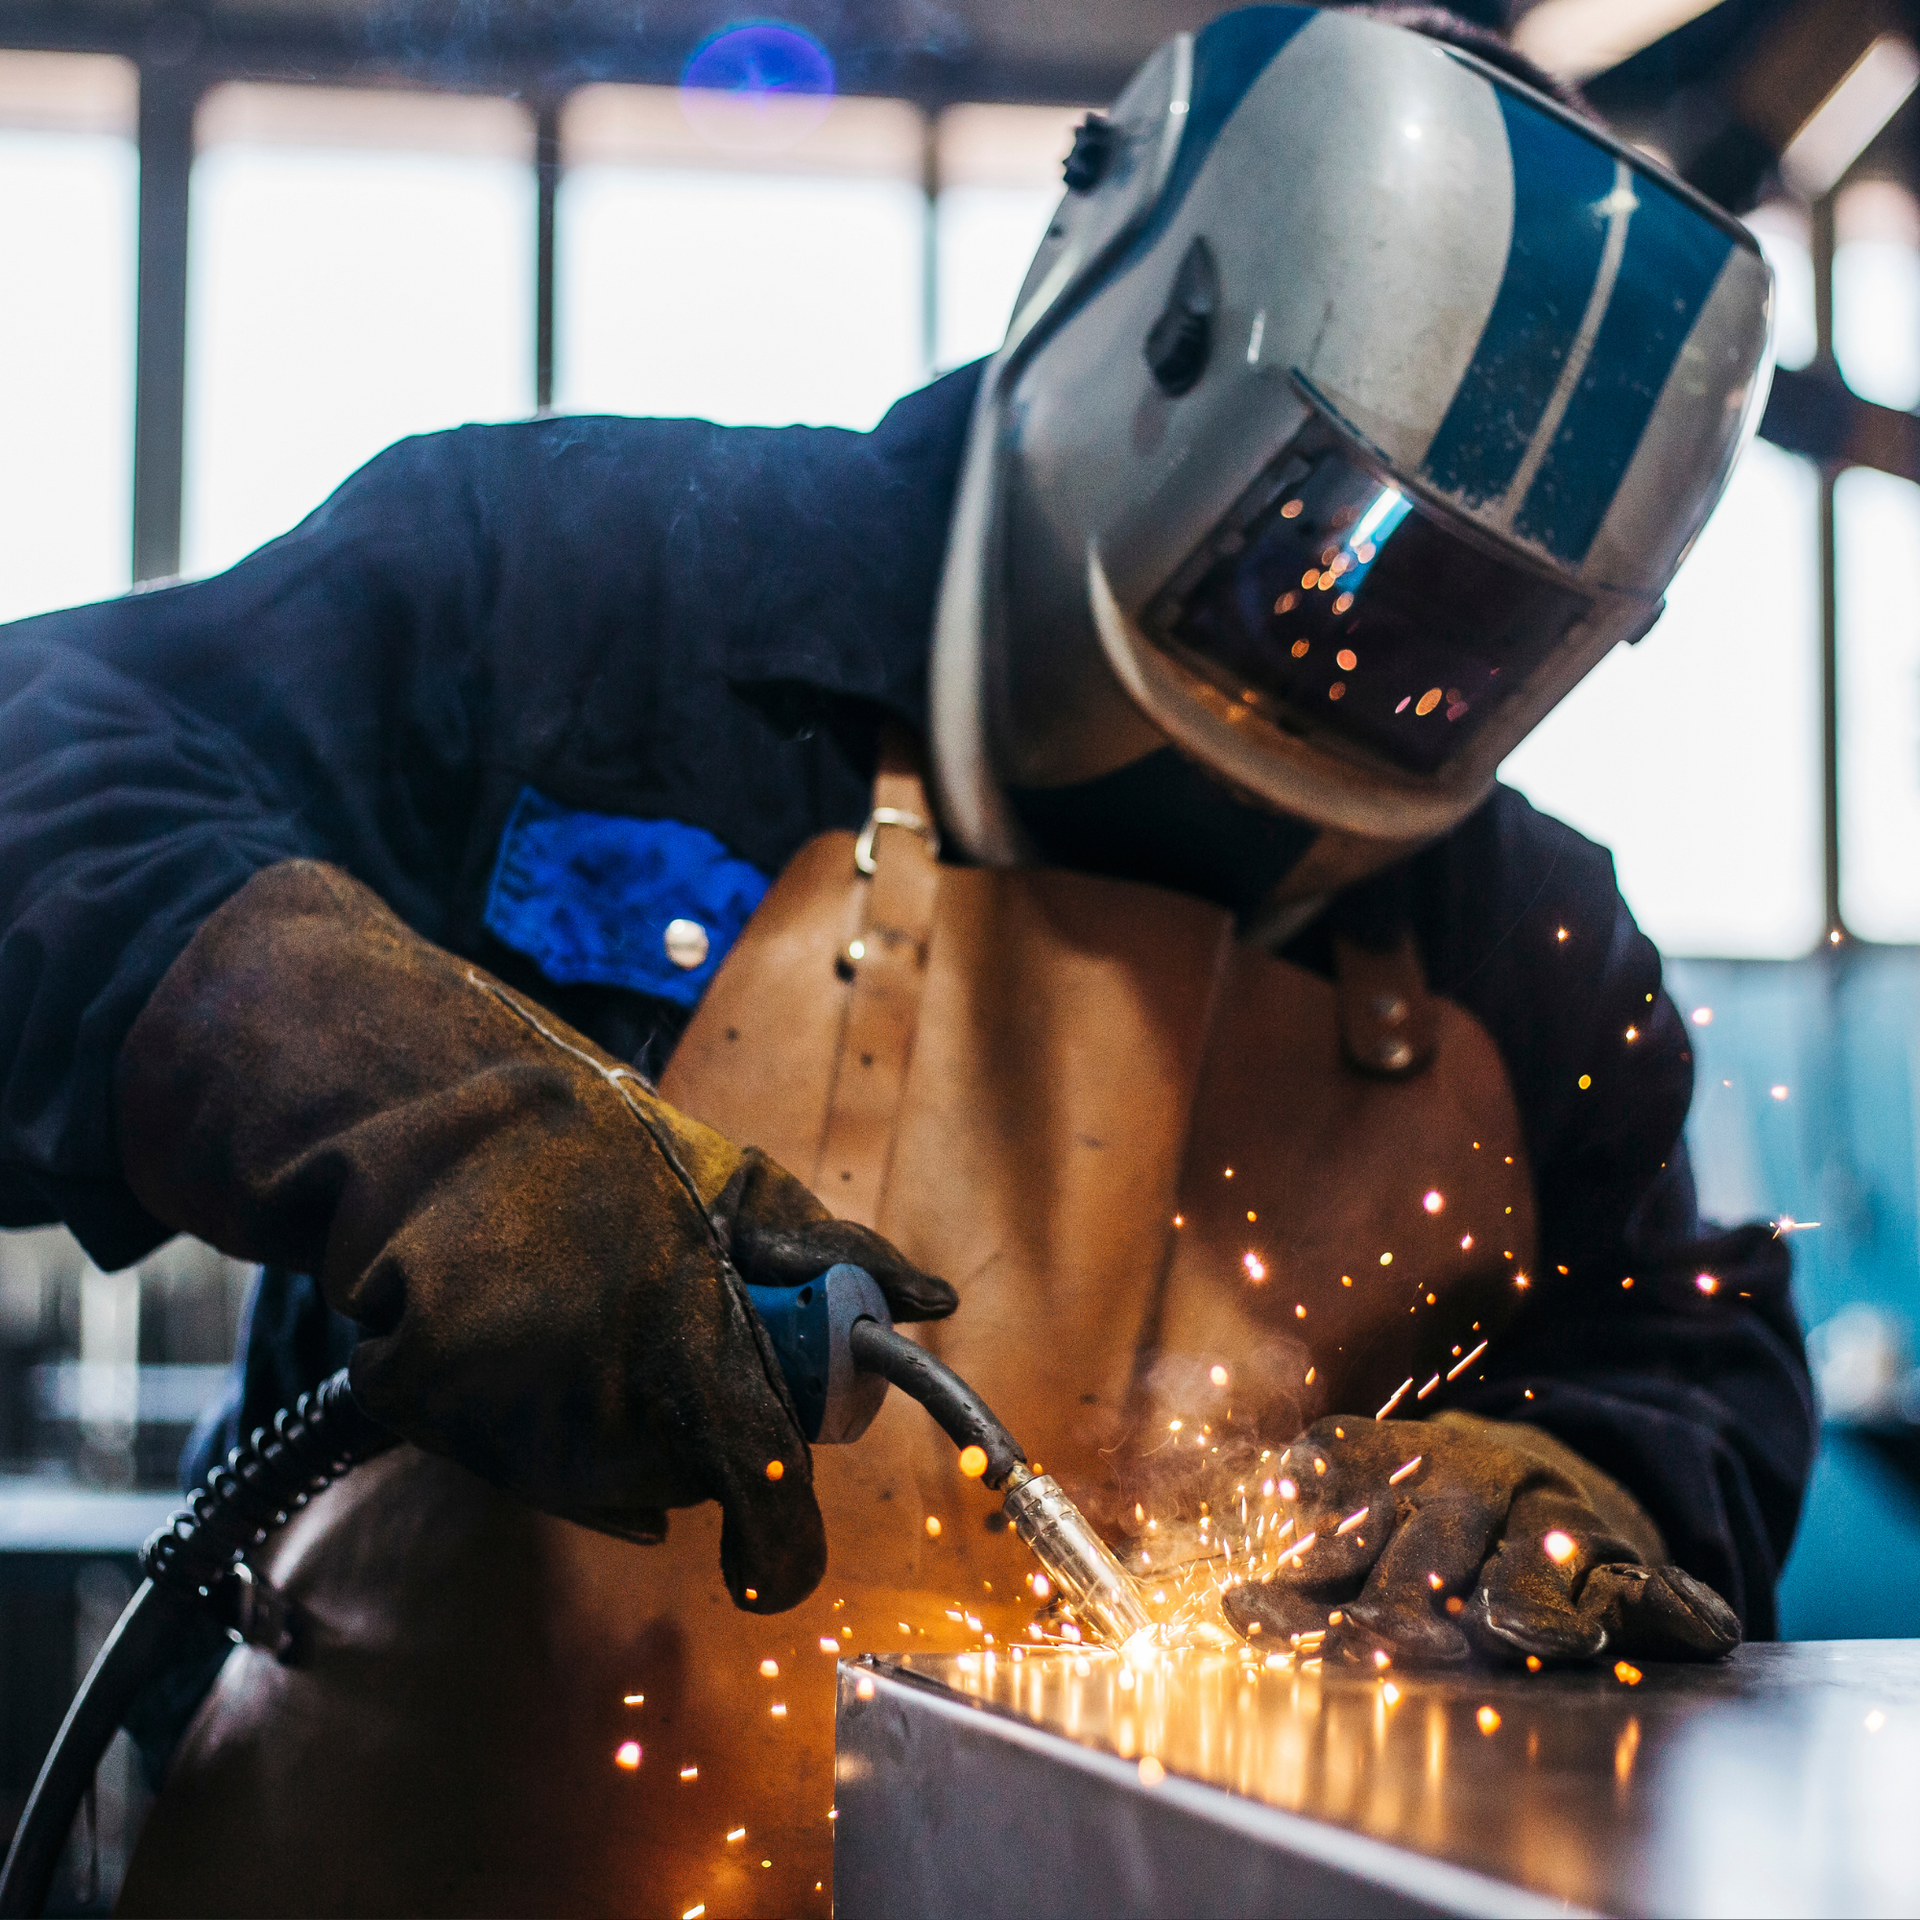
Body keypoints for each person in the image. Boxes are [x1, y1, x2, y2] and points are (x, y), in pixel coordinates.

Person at [0, 5, 1811, 1913]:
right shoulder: (596, 601)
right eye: (1323, 553)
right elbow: (44, 777)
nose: (1354, 665)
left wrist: (1570, 1482)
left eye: (1484, 635)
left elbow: (1690, 1362)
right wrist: (403, 1107)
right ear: (1141, 319)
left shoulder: (1536, 951)